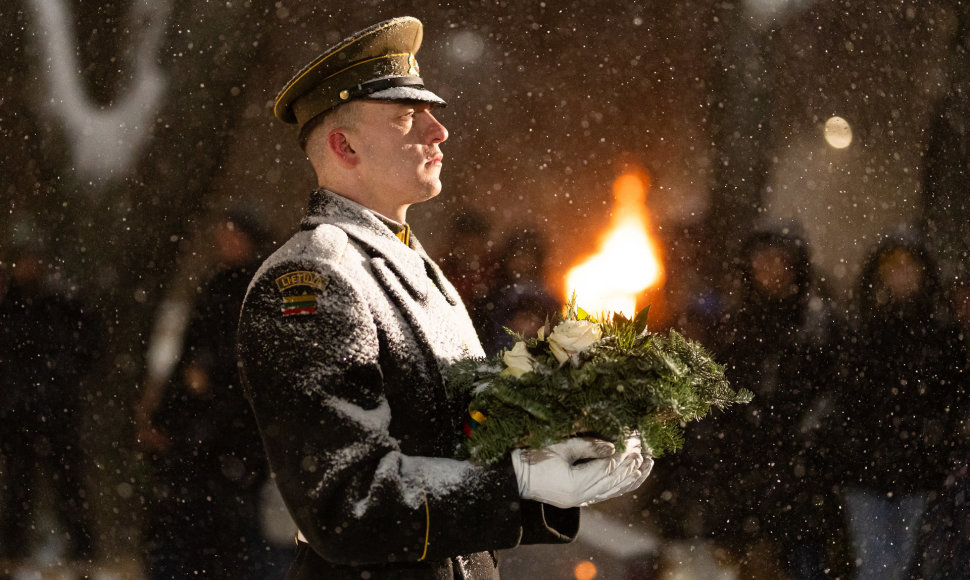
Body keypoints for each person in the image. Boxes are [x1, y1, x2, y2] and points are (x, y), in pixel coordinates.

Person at [236, 17, 651, 579]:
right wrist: (522, 480)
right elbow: (349, 503)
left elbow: (447, 442)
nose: (439, 132)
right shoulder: (316, 276)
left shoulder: (407, 263)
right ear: (344, 144)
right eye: (409, 117)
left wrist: (563, 442)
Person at [137, 210, 288, 579]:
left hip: (235, 436)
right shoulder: (216, 284)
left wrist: (215, 381)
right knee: (184, 522)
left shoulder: (263, 288)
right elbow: (188, 355)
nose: (225, 241)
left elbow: (258, 363)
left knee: (231, 531)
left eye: (233, 234)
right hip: (199, 434)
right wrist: (166, 415)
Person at [838, 237, 966, 580]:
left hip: (920, 475)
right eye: (893, 270)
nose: (901, 277)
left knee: (911, 565)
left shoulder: (941, 336)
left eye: (908, 269)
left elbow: (951, 401)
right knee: (878, 568)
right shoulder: (861, 332)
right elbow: (847, 400)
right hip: (869, 474)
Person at [0, 244, 101, 565]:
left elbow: (91, 340)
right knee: (18, 488)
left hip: (57, 410)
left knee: (68, 486)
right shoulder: (10, 304)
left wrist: (65, 371)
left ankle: (82, 552)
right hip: (19, 412)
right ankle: (13, 552)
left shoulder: (61, 301)